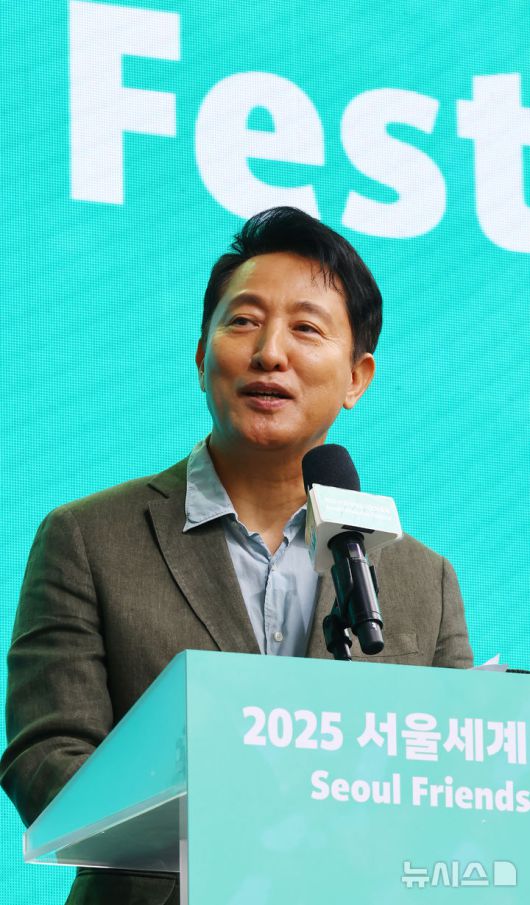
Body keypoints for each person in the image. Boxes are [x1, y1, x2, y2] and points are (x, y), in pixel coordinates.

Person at [1, 207, 473, 905]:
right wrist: (235, 827)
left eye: (306, 328)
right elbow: (47, 757)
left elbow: (457, 786)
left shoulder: (422, 579)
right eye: (244, 321)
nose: (270, 352)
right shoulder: (87, 538)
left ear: (357, 377)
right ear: (201, 356)